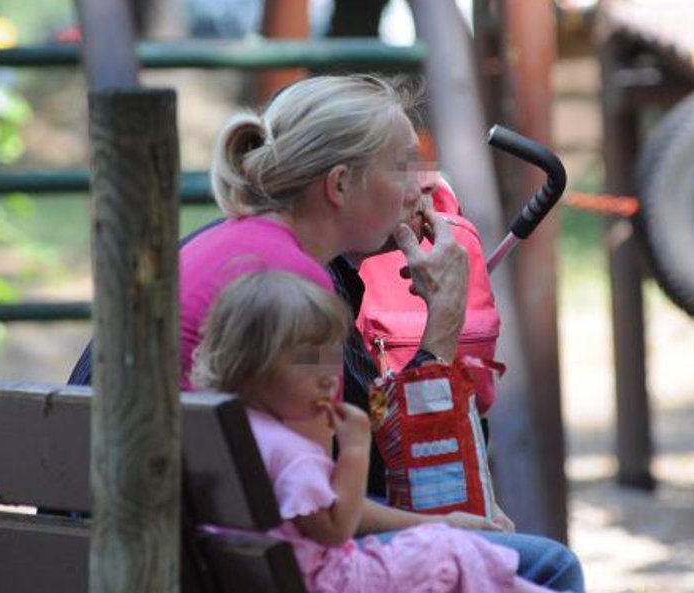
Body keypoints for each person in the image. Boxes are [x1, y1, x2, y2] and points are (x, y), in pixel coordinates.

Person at [67, 73, 582, 591]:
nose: (421, 186)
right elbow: (350, 499)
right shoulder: (296, 289)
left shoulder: (235, 244)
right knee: (546, 566)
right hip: (200, 561)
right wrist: (443, 324)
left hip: (152, 537)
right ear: (338, 185)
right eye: (403, 165)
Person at [191, 270, 571, 593]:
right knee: (447, 550)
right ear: (253, 366)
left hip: (293, 576)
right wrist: (356, 448)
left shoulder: (236, 429)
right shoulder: (293, 453)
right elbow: (335, 531)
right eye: (308, 361)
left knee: (446, 547)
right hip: (336, 580)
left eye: (330, 357)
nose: (328, 377)